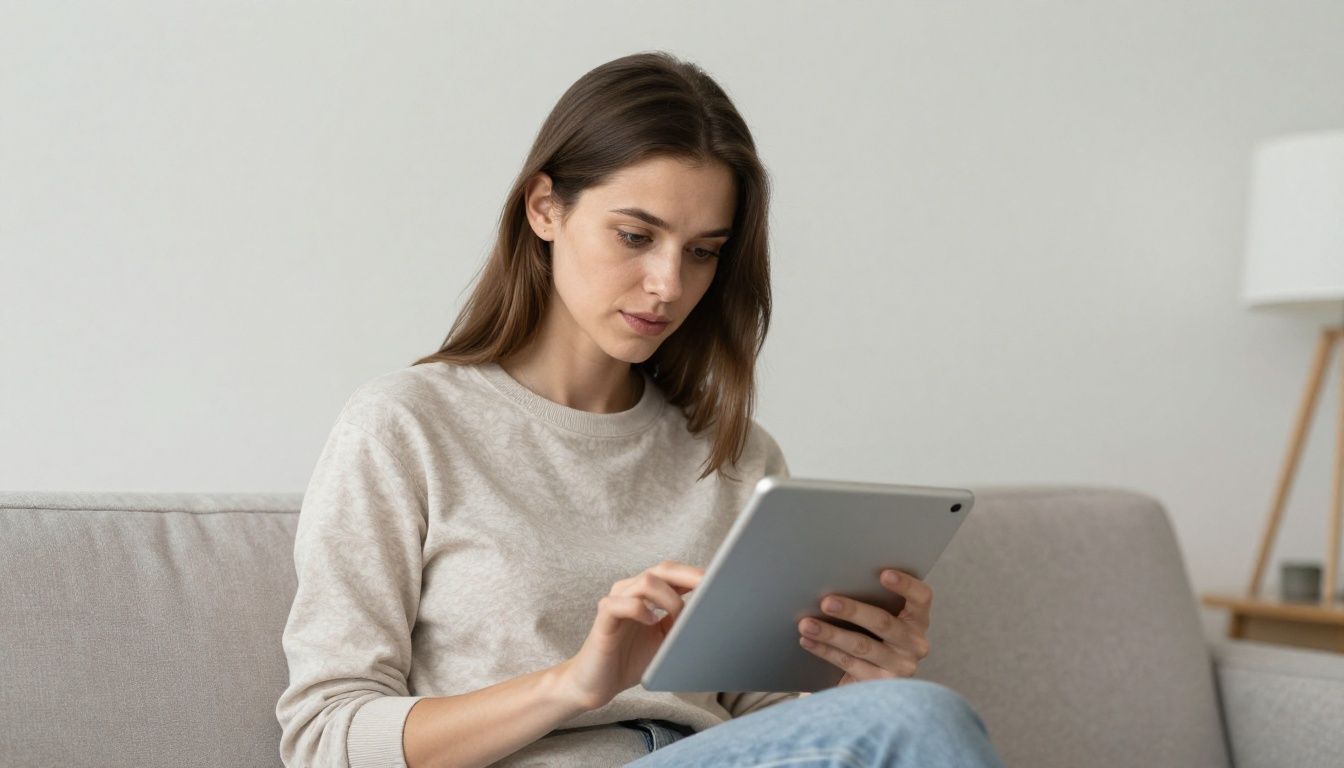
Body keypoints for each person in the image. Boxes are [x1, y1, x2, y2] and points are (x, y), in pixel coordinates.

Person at [275, 50, 1005, 768]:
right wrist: (573, 685)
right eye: (635, 236)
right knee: (923, 717)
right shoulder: (405, 427)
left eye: (703, 252)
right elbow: (324, 738)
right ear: (544, 208)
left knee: (909, 711)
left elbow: (769, 726)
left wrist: (859, 688)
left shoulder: (736, 458)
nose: (668, 285)